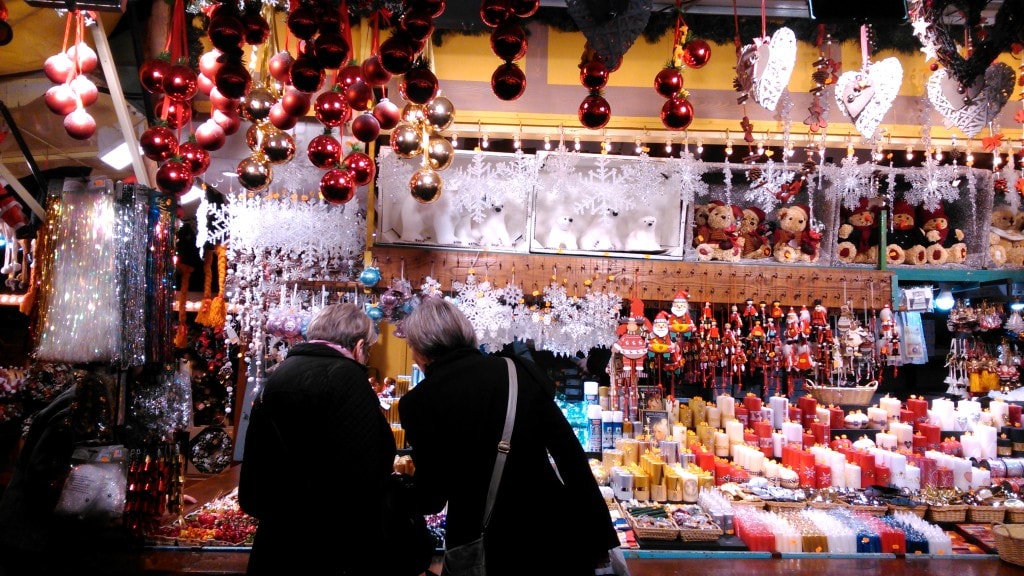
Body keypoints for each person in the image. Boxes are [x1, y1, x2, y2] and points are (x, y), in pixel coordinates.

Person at [398, 296, 620, 576]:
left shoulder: (418, 404)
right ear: (467, 335)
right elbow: (570, 456)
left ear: (420, 351)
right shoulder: (518, 371)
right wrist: (600, 537)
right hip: (550, 534)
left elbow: (432, 497)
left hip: (483, 545)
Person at [238, 303, 399, 576]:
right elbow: (367, 468)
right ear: (359, 346)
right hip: (331, 546)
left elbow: (254, 473)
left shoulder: (282, 373)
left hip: (278, 541)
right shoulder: (347, 377)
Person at [0, 369, 122, 576]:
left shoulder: (92, 402)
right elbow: (41, 475)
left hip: (44, 535)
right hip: (33, 538)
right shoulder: (76, 406)